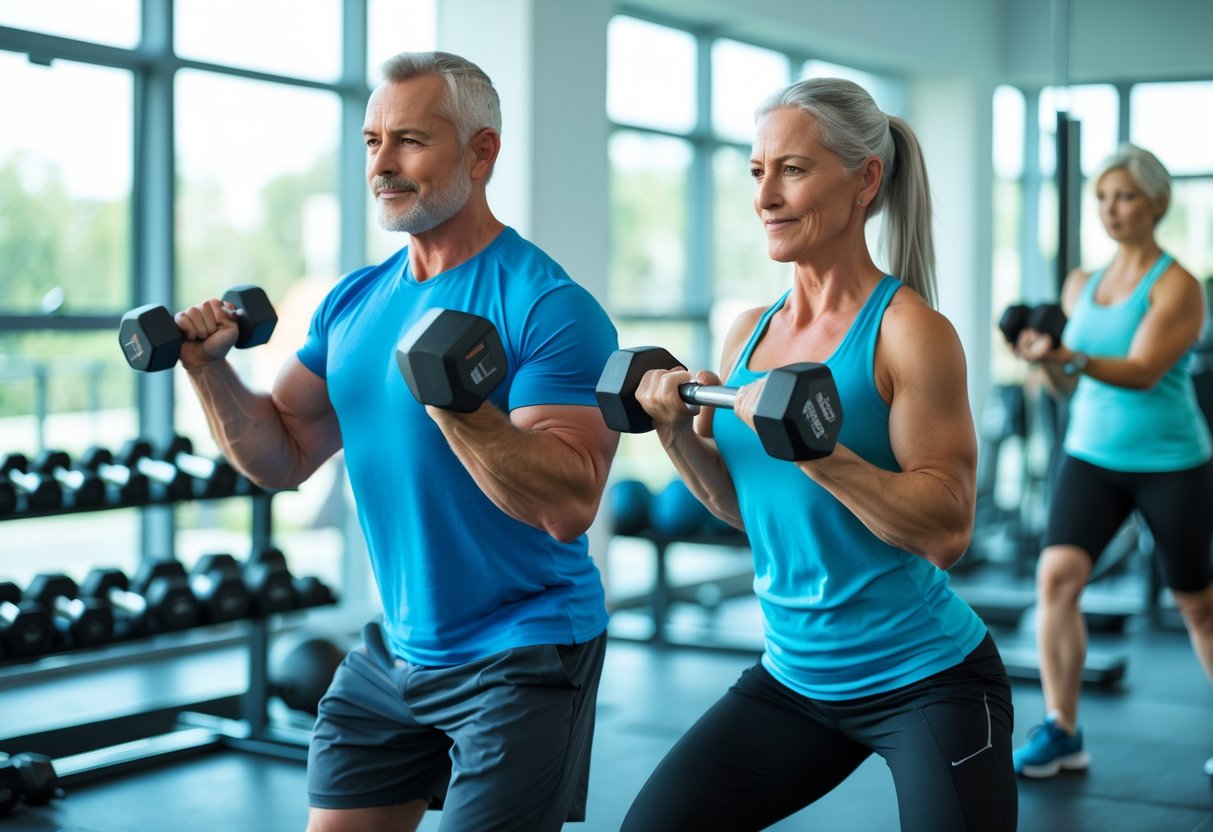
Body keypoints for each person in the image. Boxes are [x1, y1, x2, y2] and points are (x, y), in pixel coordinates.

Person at [173, 51, 620, 831]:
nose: (383, 163)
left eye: (409, 140)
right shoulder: (354, 302)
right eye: (372, 140)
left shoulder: (549, 306)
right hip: (397, 651)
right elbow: (281, 457)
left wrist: (460, 409)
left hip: (524, 649)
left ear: (481, 153)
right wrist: (208, 373)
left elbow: (568, 503)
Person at [619, 77, 1017, 832]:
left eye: (792, 170)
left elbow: (947, 532)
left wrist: (818, 452)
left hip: (925, 678)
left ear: (865, 179)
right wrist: (674, 433)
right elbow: (744, 508)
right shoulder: (748, 334)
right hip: (794, 679)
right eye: (755, 171)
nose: (765, 195)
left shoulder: (908, 332)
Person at [1009, 143, 1213, 780]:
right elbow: (1075, 386)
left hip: (1171, 461)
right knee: (1056, 580)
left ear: (1155, 202)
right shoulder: (1082, 283)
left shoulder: (1177, 286)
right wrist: (1048, 363)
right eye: (1101, 197)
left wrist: (1069, 358)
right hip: (1091, 455)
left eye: (1123, 196)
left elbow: (1145, 371)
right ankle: (1062, 730)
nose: (1110, 209)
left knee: (1196, 604)